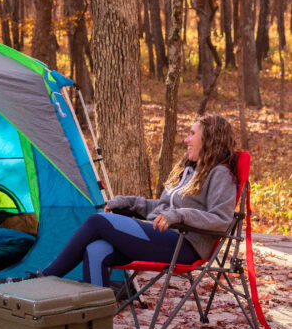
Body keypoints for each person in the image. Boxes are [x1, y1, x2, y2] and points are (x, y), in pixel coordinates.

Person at [41, 115, 238, 286]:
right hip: (161, 237)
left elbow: (221, 220)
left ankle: (43, 279)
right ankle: (97, 324)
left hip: (185, 246)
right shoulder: (189, 170)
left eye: (192, 134)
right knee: (96, 250)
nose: (186, 140)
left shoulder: (220, 173)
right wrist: (127, 202)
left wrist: (179, 215)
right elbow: (163, 208)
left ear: (210, 139)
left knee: (97, 221)